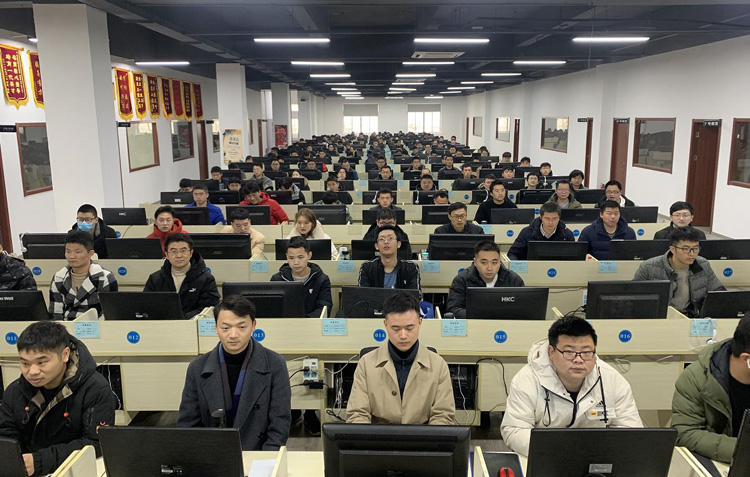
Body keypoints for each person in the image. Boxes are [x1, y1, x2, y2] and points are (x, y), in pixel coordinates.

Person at [501, 316, 643, 456]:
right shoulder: (526, 381)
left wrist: (598, 452)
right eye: (569, 352)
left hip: (596, 457)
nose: (578, 360)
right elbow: (515, 431)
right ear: (551, 352)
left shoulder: (612, 380)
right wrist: (561, 451)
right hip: (547, 456)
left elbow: (631, 432)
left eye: (586, 352)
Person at [0, 321, 116, 476]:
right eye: (25, 363)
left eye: (42, 362)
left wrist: (40, 461)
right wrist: (13, 460)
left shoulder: (95, 389)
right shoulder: (16, 390)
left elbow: (96, 443)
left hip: (75, 469)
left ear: (65, 355)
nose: (32, 372)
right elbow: (5, 435)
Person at [177, 295, 291, 450]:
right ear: (216, 328)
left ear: (253, 325)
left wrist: (266, 458)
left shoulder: (275, 364)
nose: (233, 335)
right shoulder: (197, 367)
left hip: (258, 453)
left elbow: (280, 422)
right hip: (212, 451)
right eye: (225, 328)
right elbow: (188, 424)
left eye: (241, 327)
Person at [346, 292, 455, 425]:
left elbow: (443, 417)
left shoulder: (438, 365)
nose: (403, 336)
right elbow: (357, 414)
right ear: (385, 325)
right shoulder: (366, 364)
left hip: (423, 437)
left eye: (410, 328)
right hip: (377, 436)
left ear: (420, 323)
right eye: (396, 329)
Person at [672, 315, 750, 463]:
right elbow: (684, 433)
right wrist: (742, 450)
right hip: (715, 463)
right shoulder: (697, 378)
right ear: (746, 358)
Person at [633, 227, 725, 317]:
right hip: (660, 318)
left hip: (692, 317)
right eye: (686, 249)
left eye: (695, 248)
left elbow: (718, 292)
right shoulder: (649, 267)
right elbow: (634, 297)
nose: (692, 253)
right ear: (673, 249)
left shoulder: (703, 264)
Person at [144, 233, 220, 318]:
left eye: (183, 251)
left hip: (194, 324)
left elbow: (209, 309)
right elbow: (146, 307)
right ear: (166, 254)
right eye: (173, 251)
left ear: (191, 253)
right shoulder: (155, 279)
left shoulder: (206, 279)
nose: (179, 256)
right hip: (162, 324)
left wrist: (182, 319)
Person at [446, 241, 525, 319]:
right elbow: (453, 309)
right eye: (484, 263)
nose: (489, 268)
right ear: (475, 262)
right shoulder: (462, 280)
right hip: (474, 324)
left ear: (500, 262)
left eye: (494, 263)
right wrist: (481, 315)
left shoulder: (513, 280)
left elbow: (525, 309)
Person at [49, 231, 118, 320]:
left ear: (91, 254)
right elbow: (55, 313)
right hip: (66, 325)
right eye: (68, 251)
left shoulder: (105, 278)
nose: (71, 256)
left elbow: (108, 314)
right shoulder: (59, 278)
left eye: (77, 252)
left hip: (95, 326)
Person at [270, 236, 333, 318]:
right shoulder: (277, 279)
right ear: (286, 256)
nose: (296, 262)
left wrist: (304, 321)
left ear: (309, 255)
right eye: (291, 258)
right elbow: (273, 308)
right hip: (285, 323)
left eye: (300, 257)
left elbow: (324, 308)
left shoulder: (321, 279)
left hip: (312, 323)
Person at [358, 226, 420, 290]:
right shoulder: (367, 268)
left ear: (398, 244)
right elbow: (363, 294)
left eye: (390, 238)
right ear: (376, 246)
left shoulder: (411, 268)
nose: (386, 242)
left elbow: (415, 294)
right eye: (382, 239)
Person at [507, 202, 576, 260]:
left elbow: (574, 257)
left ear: (559, 218)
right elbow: (513, 253)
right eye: (547, 218)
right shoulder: (527, 232)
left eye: (554, 219)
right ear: (541, 217)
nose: (550, 222)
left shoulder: (567, 234)